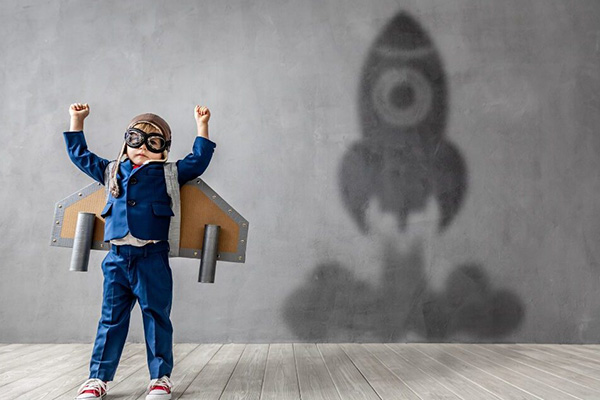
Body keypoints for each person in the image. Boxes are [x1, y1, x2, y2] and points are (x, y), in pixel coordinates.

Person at [64, 103, 216, 399]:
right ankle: (97, 378)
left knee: (156, 316)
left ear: (164, 149)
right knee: (110, 319)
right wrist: (76, 120)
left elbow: (198, 161)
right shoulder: (111, 170)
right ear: (127, 141)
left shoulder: (169, 173)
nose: (143, 148)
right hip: (117, 259)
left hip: (152, 257)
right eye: (136, 140)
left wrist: (202, 126)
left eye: (153, 143)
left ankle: (160, 377)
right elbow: (80, 156)